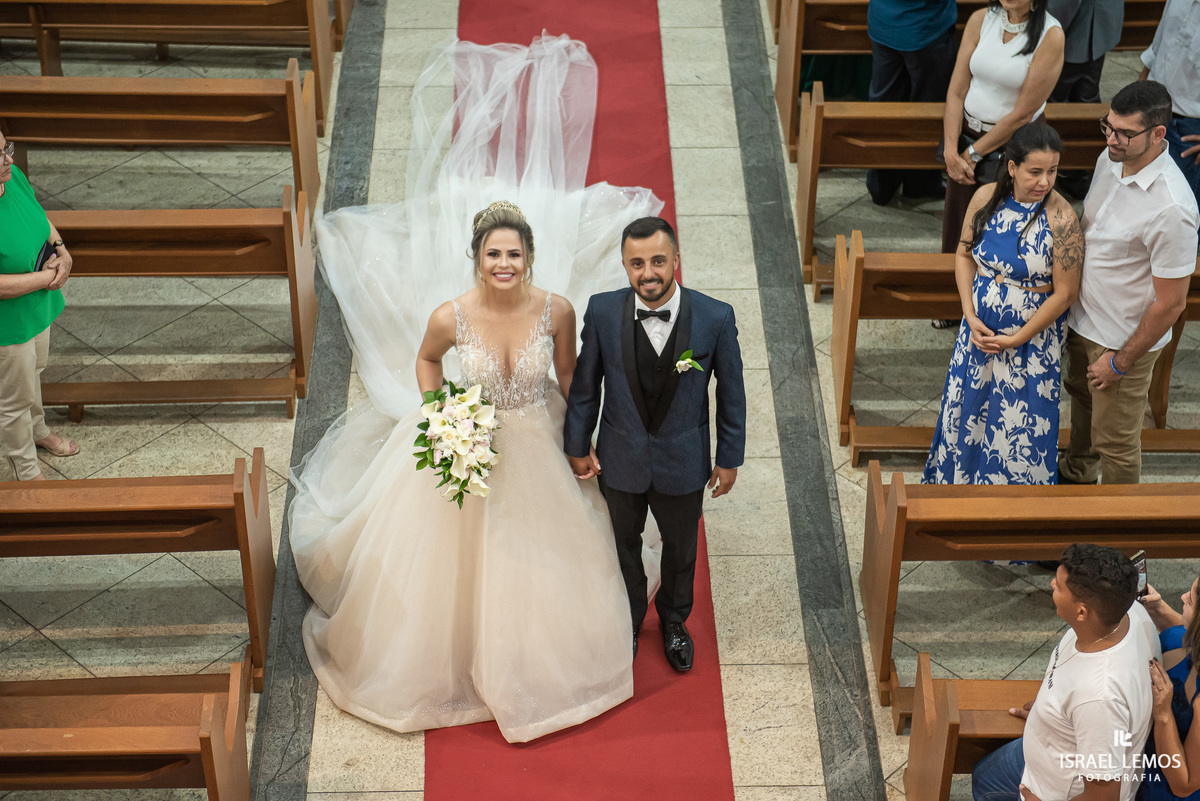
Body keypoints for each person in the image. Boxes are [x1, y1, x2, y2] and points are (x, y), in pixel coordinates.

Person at [288, 36, 665, 743]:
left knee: (546, 554)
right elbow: (427, 363)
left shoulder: (554, 308)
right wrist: (440, 413)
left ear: (528, 257)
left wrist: (584, 432)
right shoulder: (448, 315)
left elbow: (566, 374)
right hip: (470, 434)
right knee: (447, 562)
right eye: (493, 253)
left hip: (535, 437)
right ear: (476, 257)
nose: (503, 262)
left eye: (514, 253)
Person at [563, 216, 746, 673]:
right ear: (625, 266)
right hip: (619, 458)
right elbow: (586, 387)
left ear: (676, 260)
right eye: (637, 263)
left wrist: (729, 457)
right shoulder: (603, 312)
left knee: (682, 549)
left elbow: (732, 391)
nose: (649, 272)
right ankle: (625, 619)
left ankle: (674, 619)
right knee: (622, 544)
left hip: (684, 461)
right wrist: (576, 444)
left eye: (659, 261)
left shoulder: (715, 317)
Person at [923, 123, 1083, 485]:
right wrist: (968, 311)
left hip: (1031, 345)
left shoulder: (1062, 220)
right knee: (970, 414)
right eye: (1035, 172)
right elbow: (964, 255)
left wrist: (1017, 338)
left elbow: (1065, 293)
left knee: (1017, 429)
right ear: (1012, 167)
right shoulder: (984, 198)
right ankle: (958, 489)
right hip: (978, 334)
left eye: (1053, 171)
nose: (1045, 181)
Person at [1058, 80, 1199, 486]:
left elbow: (1171, 304)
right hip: (1083, 318)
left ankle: (1121, 541)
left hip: (1120, 338)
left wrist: (1119, 362)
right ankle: (1077, 472)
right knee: (1083, 402)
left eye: (1123, 133)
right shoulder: (1111, 157)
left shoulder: (1172, 208)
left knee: (1116, 442)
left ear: (1158, 134)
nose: (1111, 139)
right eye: (1108, 126)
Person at [970, 543, 1161, 801]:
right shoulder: (1128, 612)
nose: (1050, 584)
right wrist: (1052, 714)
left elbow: (1103, 796)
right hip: (1053, 746)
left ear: (1082, 612)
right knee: (984, 775)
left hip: (1054, 792)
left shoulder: (1098, 699)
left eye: (1059, 586)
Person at [940, 0, 1065, 260]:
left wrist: (972, 154)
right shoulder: (980, 19)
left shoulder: (1051, 35)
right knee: (958, 225)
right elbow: (955, 91)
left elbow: (1022, 115)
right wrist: (951, 151)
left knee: (998, 231)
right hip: (966, 138)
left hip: (1013, 145)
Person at [0, 128, 79, 481]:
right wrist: (46, 278)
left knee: (35, 372)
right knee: (13, 402)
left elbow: (37, 212)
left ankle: (39, 431)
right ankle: (26, 472)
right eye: (0, 156)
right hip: (8, 322)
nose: (9, 161)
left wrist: (60, 249)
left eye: (7, 149)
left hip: (36, 305)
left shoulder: (11, 176)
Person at [865, 0, 957, 205]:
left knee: (885, 105)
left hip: (884, 21)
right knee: (928, 107)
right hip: (926, 27)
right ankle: (919, 182)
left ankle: (881, 185)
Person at [1139, 573, 1200, 800]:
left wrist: (1163, 713)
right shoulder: (1181, 636)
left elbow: (1184, 785)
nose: (1183, 597)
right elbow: (1187, 630)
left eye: (1191, 600)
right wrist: (1158, 609)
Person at [1138, 0, 1200, 209]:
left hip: (1189, 128)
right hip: (1152, 108)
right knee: (1143, 199)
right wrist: (1138, 95)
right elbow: (1158, 45)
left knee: (1179, 209)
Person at [1047, 0, 1123, 104]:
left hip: (1075, 31)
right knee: (1087, 94)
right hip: (1099, 24)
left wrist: (1039, 26)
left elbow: (1062, 5)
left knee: (1054, 99)